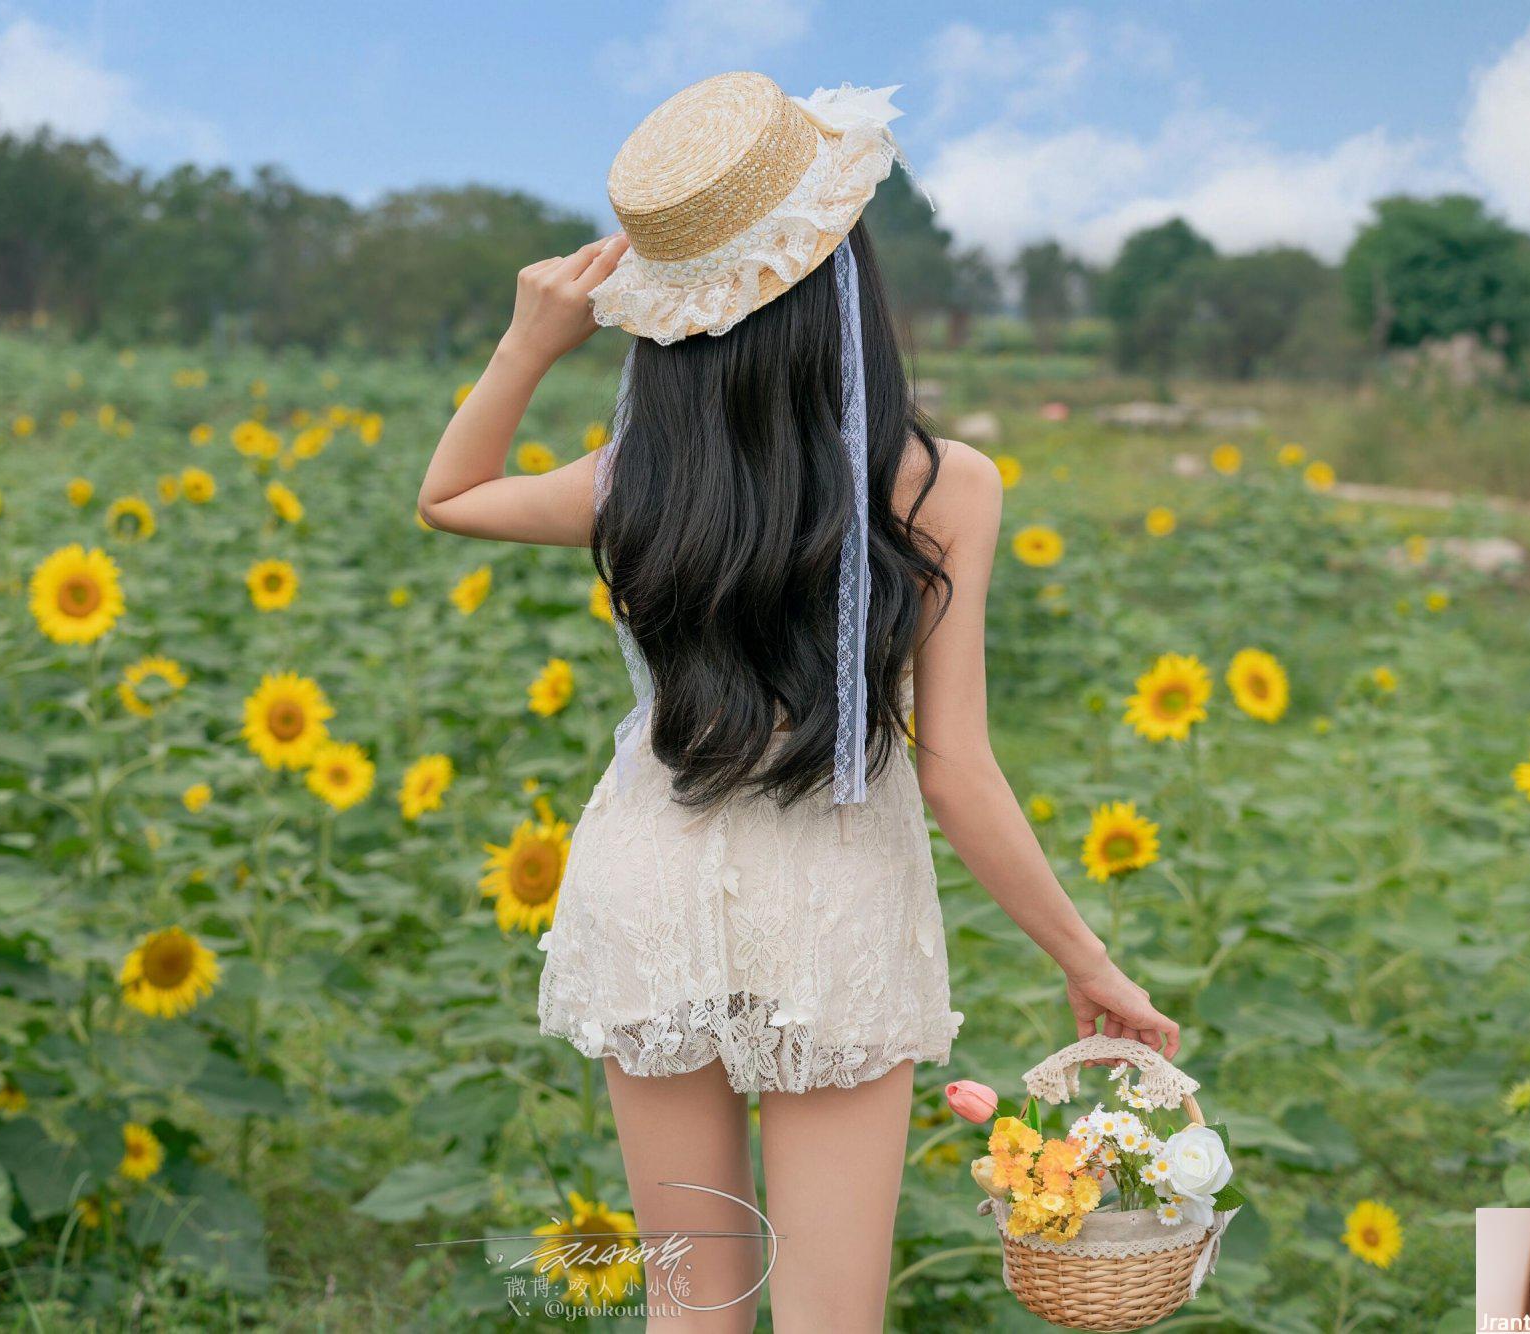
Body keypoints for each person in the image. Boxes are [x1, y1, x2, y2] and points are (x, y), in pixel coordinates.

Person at [418, 71, 1180, 1332]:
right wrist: (1086, 959)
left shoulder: (633, 479)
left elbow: (450, 494)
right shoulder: (939, 484)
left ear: (678, 312)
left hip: (651, 880)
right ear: (841, 278)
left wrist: (529, 342)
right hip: (833, 897)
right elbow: (954, 768)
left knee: (693, 1306)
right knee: (830, 1316)